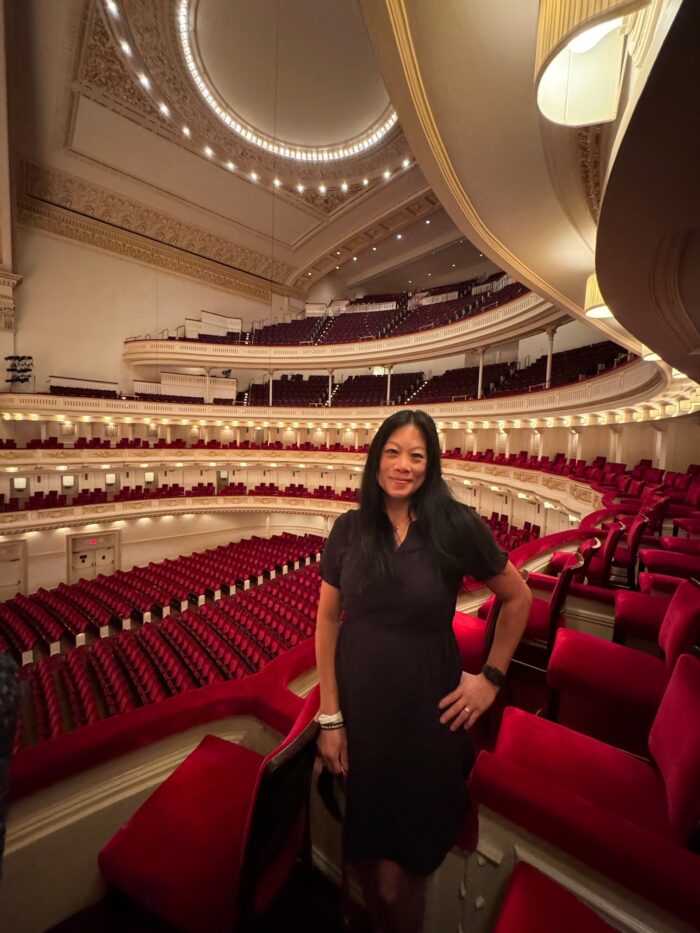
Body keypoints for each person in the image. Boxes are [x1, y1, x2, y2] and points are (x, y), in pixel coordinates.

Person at [315, 409, 531, 933]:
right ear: (376, 459)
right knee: (366, 851)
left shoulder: (455, 526)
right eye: (392, 452)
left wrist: (492, 680)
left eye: (416, 455)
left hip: (426, 718)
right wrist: (330, 716)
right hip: (362, 715)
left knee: (401, 876)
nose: (403, 465)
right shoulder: (348, 528)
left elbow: (518, 596)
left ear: (431, 463)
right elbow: (326, 620)